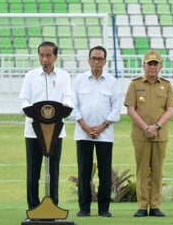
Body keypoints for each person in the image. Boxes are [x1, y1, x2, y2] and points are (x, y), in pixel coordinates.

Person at [18, 41, 73, 210]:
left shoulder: (64, 76)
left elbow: (69, 98)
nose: (45, 59)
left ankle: (53, 206)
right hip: (33, 131)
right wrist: (32, 111)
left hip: (55, 131)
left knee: (53, 171)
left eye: (48, 55)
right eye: (42, 55)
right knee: (33, 172)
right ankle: (33, 208)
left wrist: (63, 108)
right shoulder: (30, 76)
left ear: (55, 56)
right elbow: (23, 100)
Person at [70, 46, 121, 217]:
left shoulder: (112, 82)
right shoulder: (79, 80)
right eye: (93, 58)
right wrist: (85, 126)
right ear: (88, 60)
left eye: (100, 58)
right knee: (84, 171)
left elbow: (116, 108)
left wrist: (102, 126)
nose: (96, 61)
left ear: (105, 61)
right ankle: (84, 208)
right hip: (83, 133)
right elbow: (72, 106)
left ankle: (104, 208)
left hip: (104, 134)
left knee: (105, 172)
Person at [125, 50, 173, 218]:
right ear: (143, 66)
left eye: (155, 64)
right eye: (149, 64)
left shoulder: (167, 85)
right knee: (142, 171)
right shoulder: (135, 84)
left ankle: (155, 205)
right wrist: (146, 127)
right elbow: (131, 109)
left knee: (157, 171)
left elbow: (170, 110)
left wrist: (156, 127)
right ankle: (141, 206)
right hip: (141, 135)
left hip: (160, 135)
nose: (152, 67)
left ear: (160, 66)